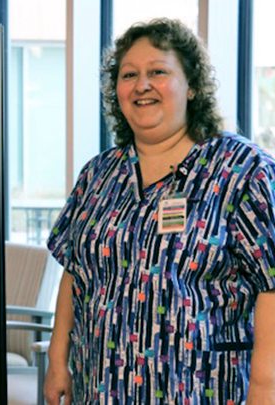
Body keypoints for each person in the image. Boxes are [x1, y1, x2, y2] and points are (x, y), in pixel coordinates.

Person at [44, 18, 275, 404]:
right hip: (100, 385)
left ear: (193, 86)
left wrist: (265, 391)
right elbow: (74, 269)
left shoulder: (244, 170)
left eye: (158, 72)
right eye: (128, 74)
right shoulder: (99, 174)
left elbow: (271, 284)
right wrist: (56, 361)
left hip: (203, 388)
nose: (142, 85)